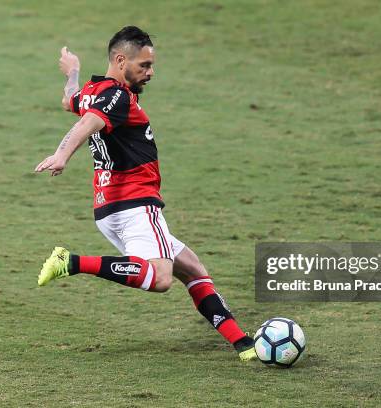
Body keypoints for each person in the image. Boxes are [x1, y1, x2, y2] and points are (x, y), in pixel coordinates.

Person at [34, 26, 256, 361]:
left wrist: (74, 72)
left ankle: (243, 345)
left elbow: (70, 102)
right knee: (161, 278)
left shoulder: (96, 90)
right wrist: (62, 154)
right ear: (121, 60)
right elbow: (85, 124)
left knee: (193, 270)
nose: (150, 73)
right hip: (135, 203)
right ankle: (72, 262)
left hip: (111, 208)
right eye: (144, 66)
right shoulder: (117, 97)